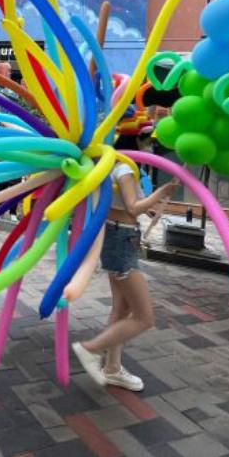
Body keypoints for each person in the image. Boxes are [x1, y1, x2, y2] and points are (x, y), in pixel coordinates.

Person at [72, 132, 179, 391]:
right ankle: (91, 350)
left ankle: (112, 368)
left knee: (121, 310)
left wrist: (150, 205)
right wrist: (162, 192)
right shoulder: (123, 168)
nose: (151, 145)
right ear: (136, 143)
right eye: (147, 140)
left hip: (116, 233)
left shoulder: (111, 164)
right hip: (122, 238)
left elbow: (126, 205)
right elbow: (132, 207)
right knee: (144, 317)